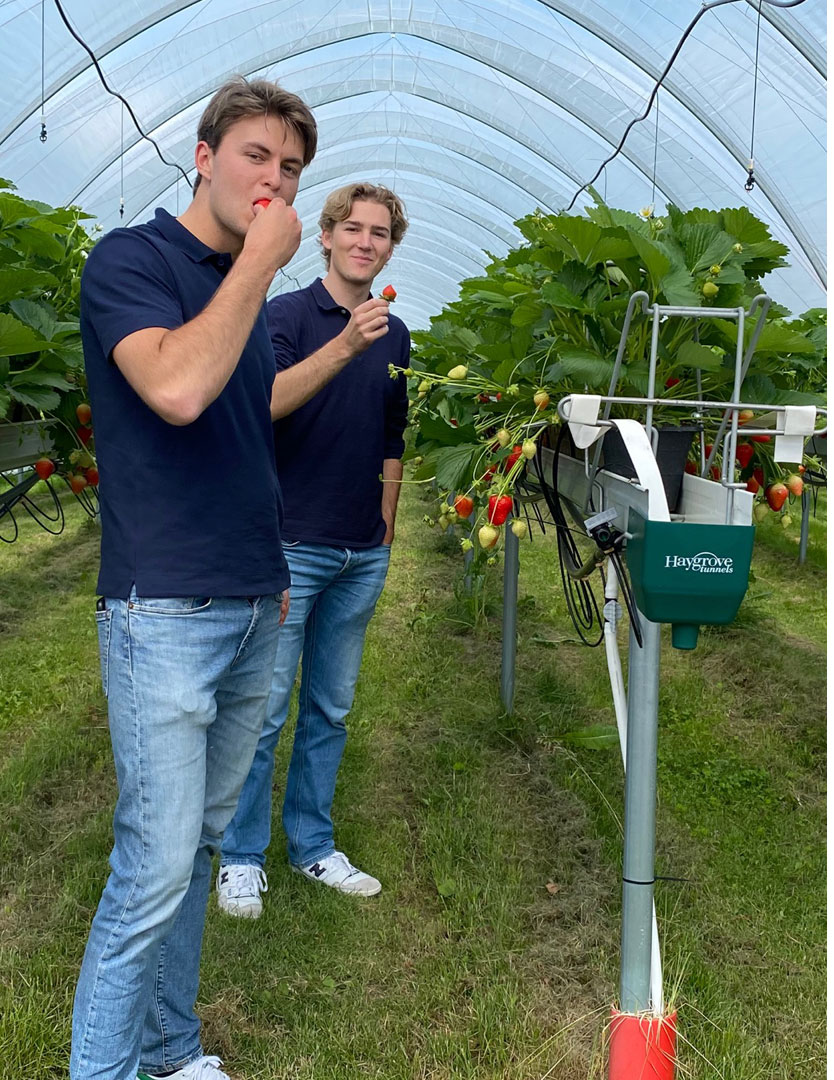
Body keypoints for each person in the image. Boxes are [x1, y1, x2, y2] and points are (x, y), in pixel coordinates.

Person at [71, 76, 315, 1080]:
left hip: (255, 600)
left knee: (201, 853)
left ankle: (171, 1053)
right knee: (153, 869)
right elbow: (175, 388)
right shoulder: (130, 261)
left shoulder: (240, 297)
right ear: (204, 153)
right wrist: (258, 265)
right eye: (257, 156)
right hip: (164, 609)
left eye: (293, 167)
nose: (276, 180)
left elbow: (240, 428)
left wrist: (272, 575)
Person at [216, 182, 410, 917]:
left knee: (330, 708)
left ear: (392, 246)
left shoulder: (395, 333)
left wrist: (387, 516)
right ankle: (239, 857)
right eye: (352, 228)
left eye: (380, 232)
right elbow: (263, 404)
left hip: (362, 550)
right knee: (263, 710)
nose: (366, 241)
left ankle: (312, 846)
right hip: (292, 543)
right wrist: (344, 343)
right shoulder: (286, 317)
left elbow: (393, 431)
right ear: (324, 237)